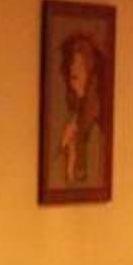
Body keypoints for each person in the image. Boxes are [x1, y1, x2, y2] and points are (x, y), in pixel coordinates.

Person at [55, 30, 106, 187]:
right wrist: (68, 149)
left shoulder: (97, 126)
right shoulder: (75, 117)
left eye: (75, 76)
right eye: (70, 76)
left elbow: (90, 179)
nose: (71, 83)